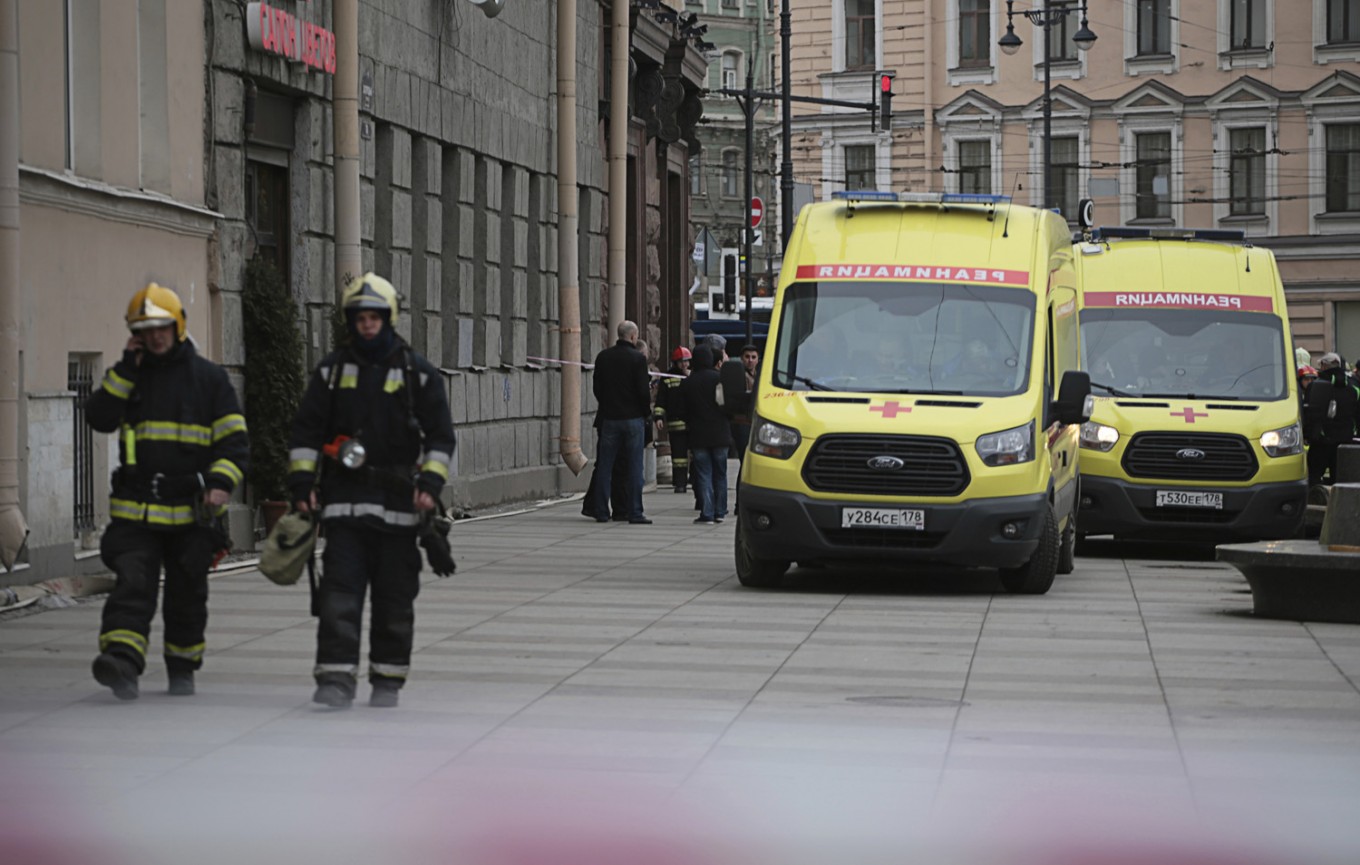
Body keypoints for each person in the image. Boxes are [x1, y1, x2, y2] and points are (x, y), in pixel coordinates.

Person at [287, 273, 456, 709]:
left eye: (374, 316)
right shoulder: (330, 372)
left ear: (389, 318)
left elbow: (440, 437)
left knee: (394, 600)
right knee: (339, 595)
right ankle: (336, 678)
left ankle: (387, 679)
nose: (367, 324)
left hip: (400, 509)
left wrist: (430, 483)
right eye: (360, 317)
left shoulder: (418, 374)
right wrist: (302, 483)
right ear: (351, 320)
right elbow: (306, 432)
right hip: (344, 506)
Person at [86, 283, 249, 700]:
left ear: (177, 326)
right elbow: (101, 418)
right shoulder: (128, 376)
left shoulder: (209, 379)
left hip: (189, 512)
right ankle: (121, 662)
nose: (155, 336)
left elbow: (233, 440)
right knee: (132, 584)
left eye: (161, 327)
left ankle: (182, 668)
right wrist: (125, 368)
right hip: (136, 512)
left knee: (186, 594)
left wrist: (220, 483)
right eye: (145, 329)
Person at [591, 320, 653, 525]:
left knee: (604, 466)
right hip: (633, 418)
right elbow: (644, 392)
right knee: (635, 467)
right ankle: (635, 512)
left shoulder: (603, 357)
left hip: (609, 418)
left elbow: (597, 388)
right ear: (634, 337)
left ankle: (601, 511)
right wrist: (645, 413)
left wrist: (608, 405)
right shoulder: (637, 359)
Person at [678, 345, 732, 524]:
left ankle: (707, 512)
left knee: (703, 474)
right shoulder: (719, 380)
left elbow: (682, 410)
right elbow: (724, 404)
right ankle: (720, 511)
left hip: (698, 434)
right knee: (720, 474)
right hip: (720, 433)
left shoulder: (687, 383)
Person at [655, 346, 692, 493]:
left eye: (686, 361)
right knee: (678, 457)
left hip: (692, 423)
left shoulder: (693, 375)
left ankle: (695, 480)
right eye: (681, 362)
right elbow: (661, 398)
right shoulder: (668, 377)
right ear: (675, 362)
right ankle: (680, 483)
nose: (684, 364)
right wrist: (658, 416)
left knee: (696, 454)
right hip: (675, 423)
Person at [730, 344, 759, 463]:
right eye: (747, 357)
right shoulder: (737, 375)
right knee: (745, 459)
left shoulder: (760, 375)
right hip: (742, 422)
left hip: (755, 421)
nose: (750, 360)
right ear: (741, 358)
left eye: (753, 357)